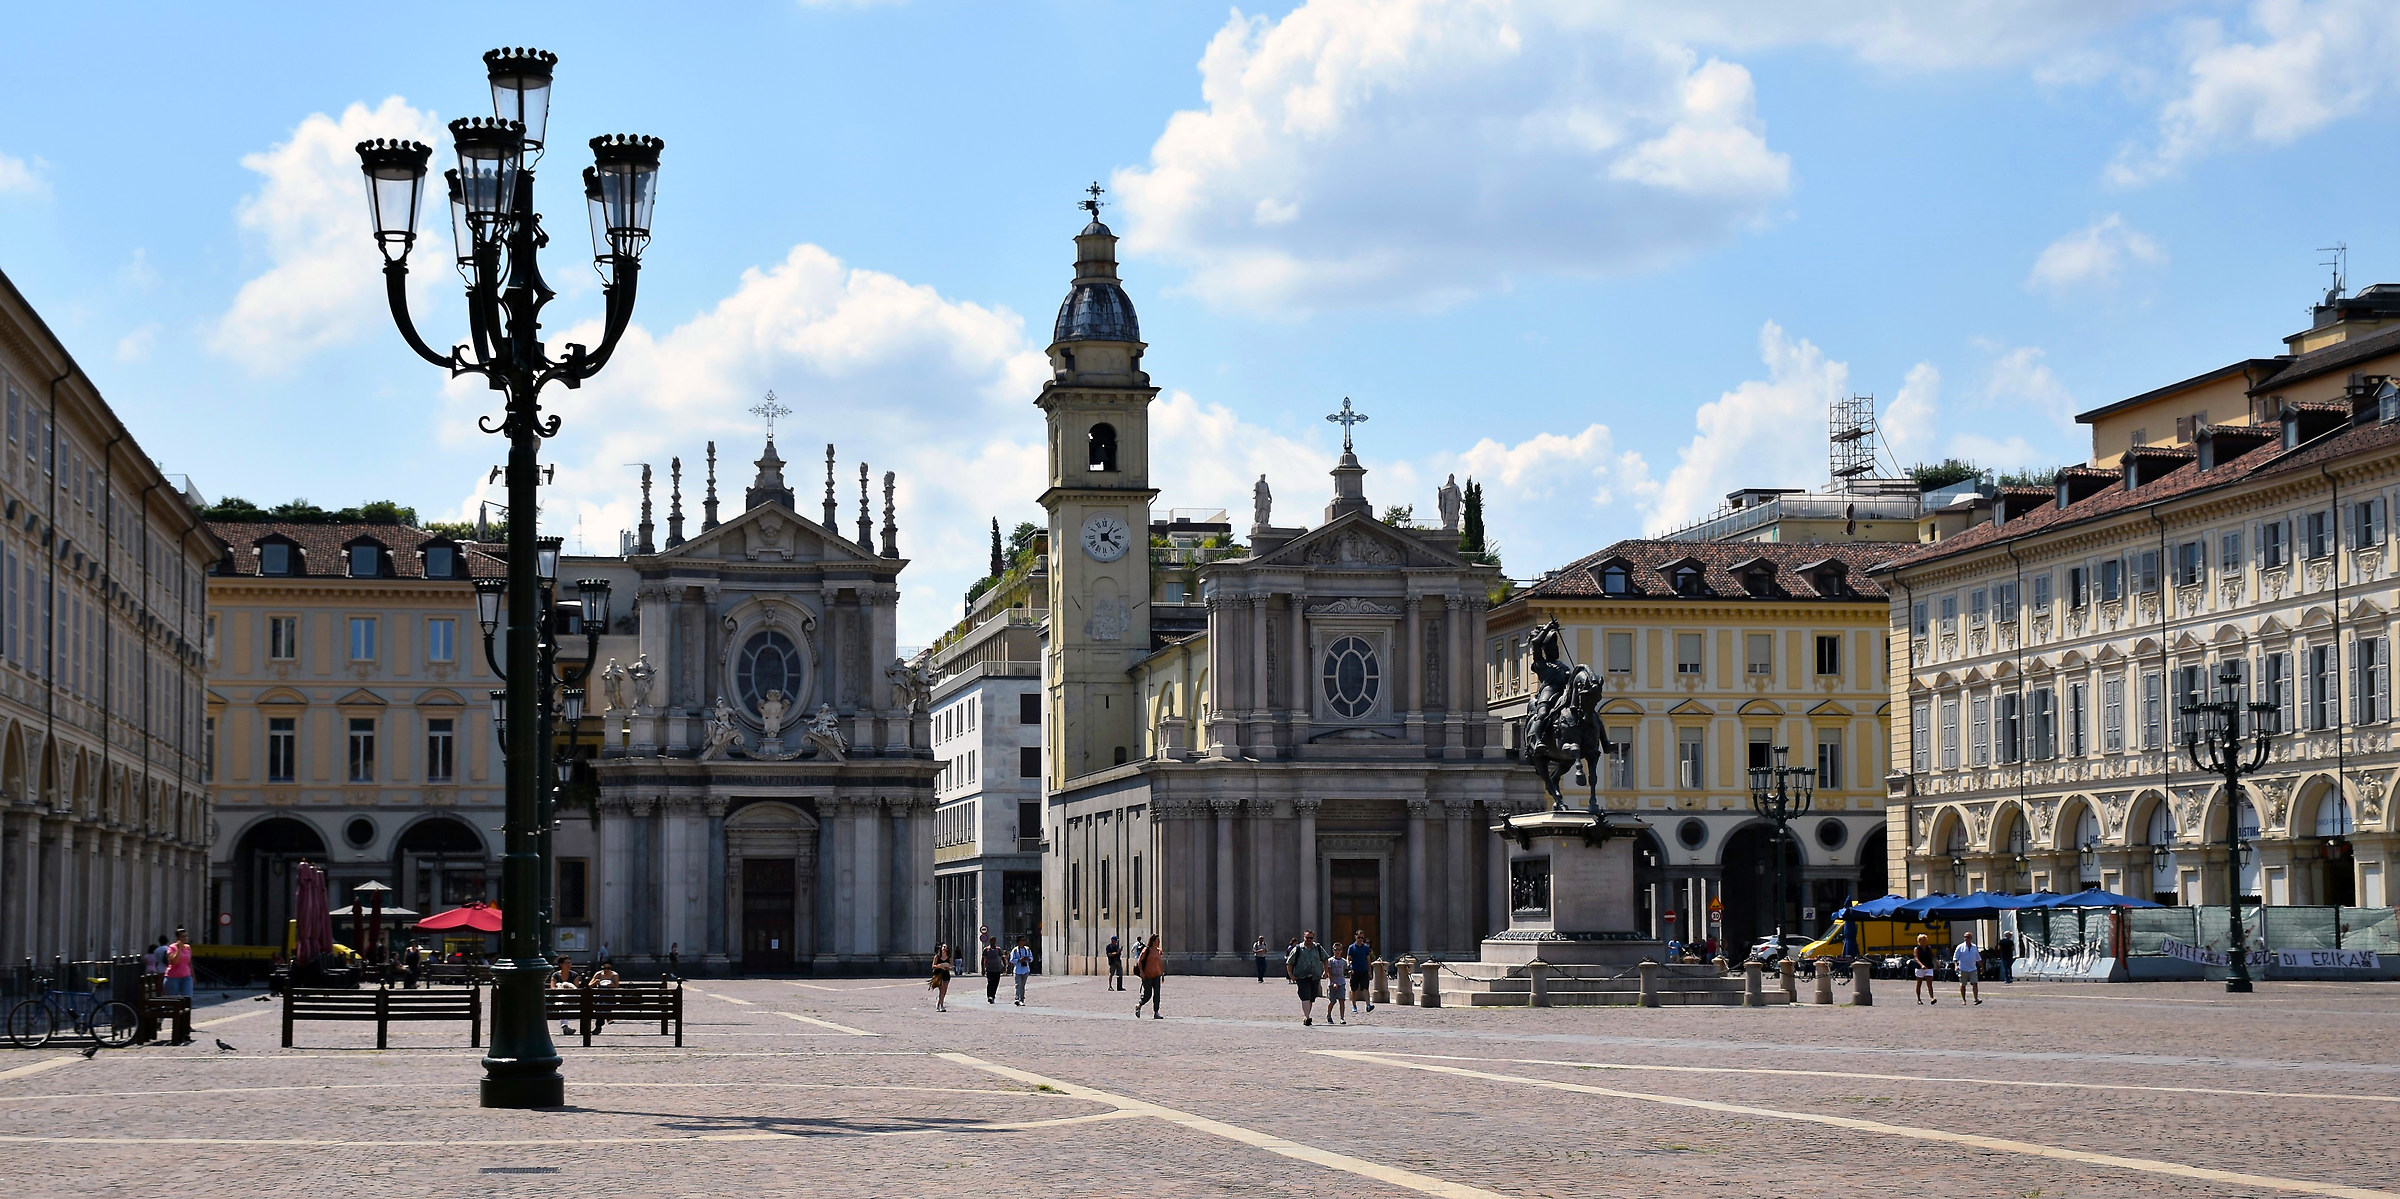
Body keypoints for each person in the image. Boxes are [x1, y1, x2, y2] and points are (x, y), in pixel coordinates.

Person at [1286, 931, 1330, 1026]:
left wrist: (1326, 972)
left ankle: (1307, 1015)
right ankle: (1307, 1017)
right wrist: (1291, 975)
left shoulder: (1318, 948)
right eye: (1307, 938)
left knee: (1311, 997)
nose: (1309, 940)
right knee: (1305, 996)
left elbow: (1325, 959)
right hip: (1302, 976)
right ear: (1304, 937)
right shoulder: (1298, 949)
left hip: (1315, 976)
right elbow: (1289, 963)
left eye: (1311, 938)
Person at [1133, 934, 1164, 1018]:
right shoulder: (1146, 950)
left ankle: (1156, 1012)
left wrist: (1162, 973)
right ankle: (1139, 1005)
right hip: (1148, 976)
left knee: (1157, 994)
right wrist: (1142, 972)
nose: (1159, 942)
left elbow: (1159, 963)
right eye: (1157, 940)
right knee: (1148, 994)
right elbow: (1139, 961)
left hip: (1157, 975)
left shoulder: (1159, 951)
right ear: (1153, 941)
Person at [1345, 931, 1376, 1014]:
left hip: (1364, 970)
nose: (1360, 939)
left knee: (1365, 988)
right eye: (1359, 937)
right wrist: (1348, 965)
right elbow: (1348, 957)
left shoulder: (1366, 948)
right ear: (1355, 937)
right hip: (1354, 970)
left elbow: (1368, 959)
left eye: (1362, 938)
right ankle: (1354, 1005)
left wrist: (1369, 971)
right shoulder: (1351, 947)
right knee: (1354, 989)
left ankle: (1368, 1005)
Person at [550, 955, 581, 1036]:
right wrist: (560, 988)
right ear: (561, 964)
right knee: (562, 1000)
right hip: (560, 998)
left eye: (570, 963)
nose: (569, 965)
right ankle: (565, 1026)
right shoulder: (555, 975)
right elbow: (552, 988)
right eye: (566, 963)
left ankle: (564, 1026)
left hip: (572, 998)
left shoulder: (574, 975)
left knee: (563, 1000)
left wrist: (569, 989)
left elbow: (576, 989)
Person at [163, 929, 194, 1001]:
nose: (185, 938)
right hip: (173, 977)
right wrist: (179, 949)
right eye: (182, 936)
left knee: (188, 999)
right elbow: (174, 962)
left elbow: (189, 963)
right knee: (173, 1000)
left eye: (186, 936)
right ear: (177, 938)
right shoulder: (172, 948)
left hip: (186, 977)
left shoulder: (188, 948)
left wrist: (193, 976)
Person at [1953, 933, 1983, 1005]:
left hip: (1973, 968)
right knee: (1963, 984)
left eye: (1968, 937)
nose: (1966, 938)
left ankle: (1976, 999)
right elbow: (1955, 958)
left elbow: (1978, 958)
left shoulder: (1974, 947)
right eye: (1965, 937)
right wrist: (1956, 966)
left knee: (1975, 983)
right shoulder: (1960, 947)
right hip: (1963, 968)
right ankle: (1964, 999)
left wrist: (1982, 966)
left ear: (1971, 938)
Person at [1008, 936, 1037, 1006]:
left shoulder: (1027, 949)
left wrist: (1028, 959)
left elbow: (1032, 958)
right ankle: (1016, 999)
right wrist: (1018, 960)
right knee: (1018, 985)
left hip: (1025, 969)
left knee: (1023, 986)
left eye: (1024, 940)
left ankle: (1022, 999)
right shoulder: (1015, 950)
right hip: (1017, 970)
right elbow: (1011, 960)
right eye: (1022, 940)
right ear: (1018, 942)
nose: (1023, 942)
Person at [1323, 950, 1350, 1024]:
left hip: (1341, 983)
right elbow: (1329, 972)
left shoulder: (1343, 961)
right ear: (1333, 950)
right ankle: (1329, 1015)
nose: (1337, 952)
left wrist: (1349, 972)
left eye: (1339, 950)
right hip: (1332, 984)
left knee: (1342, 1000)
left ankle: (1342, 1018)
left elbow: (1346, 970)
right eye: (1335, 950)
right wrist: (1333, 982)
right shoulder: (1330, 961)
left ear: (1341, 951)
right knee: (1332, 1001)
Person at [1912, 934, 1939, 1004]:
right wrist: (1921, 965)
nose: (1924, 941)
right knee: (1919, 983)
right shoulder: (1917, 949)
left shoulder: (1929, 948)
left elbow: (1933, 956)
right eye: (1922, 940)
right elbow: (1916, 958)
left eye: (1925, 940)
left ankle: (1932, 998)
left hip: (1929, 966)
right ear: (1919, 941)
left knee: (1929, 983)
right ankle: (1919, 999)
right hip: (1920, 968)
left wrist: (1936, 962)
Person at [982, 936, 1007, 1005]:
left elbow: (1002, 958)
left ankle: (993, 996)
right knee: (990, 983)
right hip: (989, 969)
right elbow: (982, 960)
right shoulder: (986, 949)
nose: (993, 942)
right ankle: (989, 996)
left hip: (997, 969)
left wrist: (1005, 966)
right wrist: (983, 969)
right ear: (989, 941)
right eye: (992, 941)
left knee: (996, 983)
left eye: (994, 940)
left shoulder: (998, 949)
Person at [929, 943, 954, 1012]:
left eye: (946, 947)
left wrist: (948, 967)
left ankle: (939, 1002)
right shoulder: (937, 956)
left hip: (946, 974)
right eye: (944, 947)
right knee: (941, 990)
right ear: (941, 948)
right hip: (939, 975)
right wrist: (939, 966)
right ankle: (940, 1005)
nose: (945, 948)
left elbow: (951, 967)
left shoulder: (949, 957)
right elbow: (933, 966)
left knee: (944, 991)